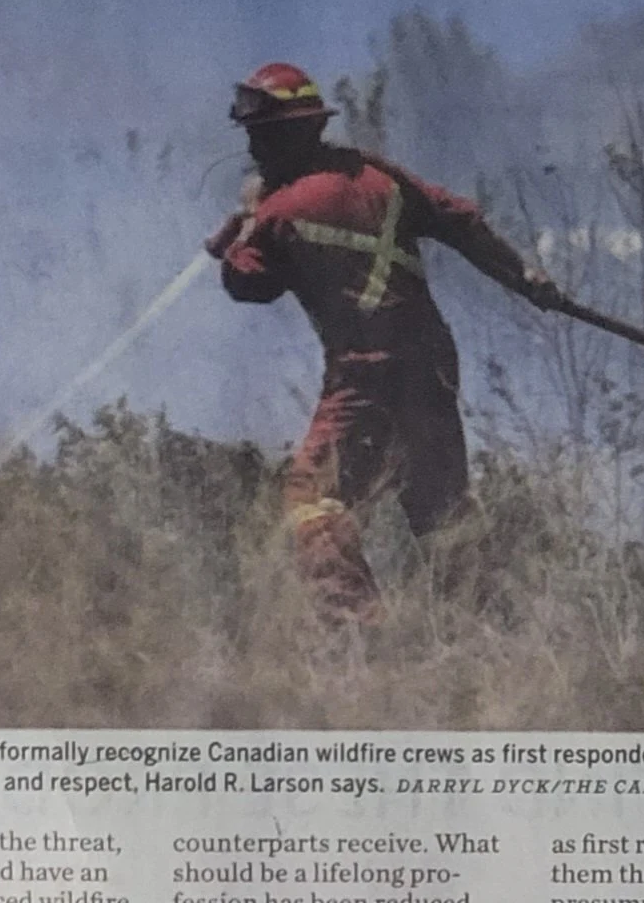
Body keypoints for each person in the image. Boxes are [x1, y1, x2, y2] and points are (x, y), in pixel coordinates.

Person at [207, 61, 561, 625]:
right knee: (441, 512)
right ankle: (490, 633)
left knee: (312, 504)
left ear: (288, 132)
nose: (254, 146)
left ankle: (362, 634)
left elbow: (247, 285)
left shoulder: (278, 210)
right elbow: (462, 220)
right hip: (432, 365)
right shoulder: (381, 178)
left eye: (260, 133)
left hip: (364, 377)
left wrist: (244, 223)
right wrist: (523, 277)